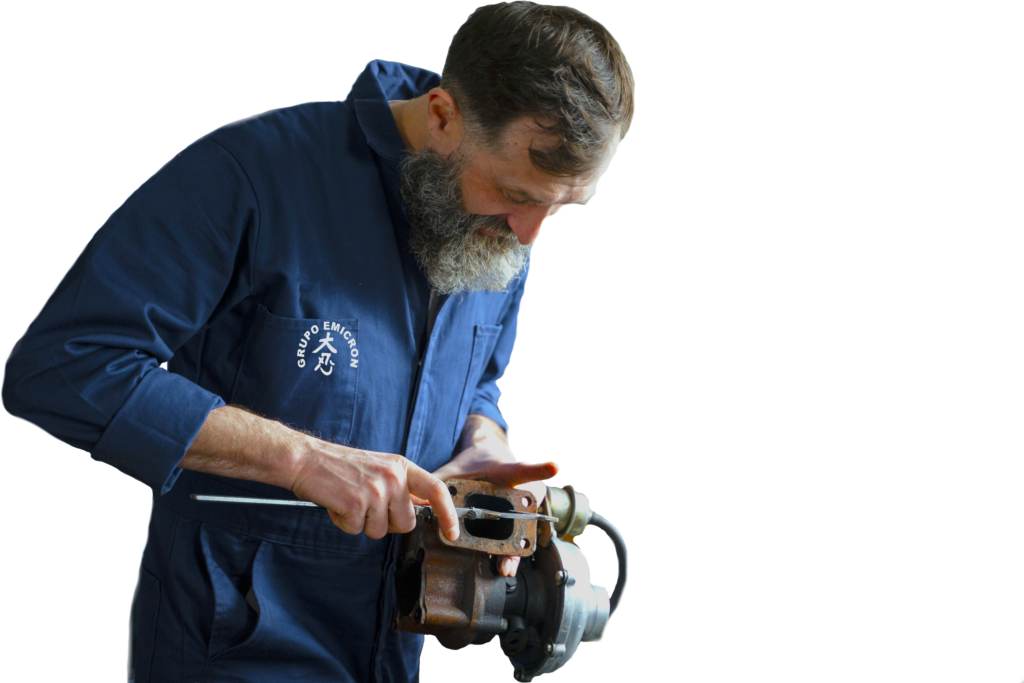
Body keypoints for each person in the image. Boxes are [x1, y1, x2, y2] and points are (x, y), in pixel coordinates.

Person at [1, 2, 634, 681]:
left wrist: (483, 439)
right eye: (515, 193)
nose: (531, 232)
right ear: (444, 115)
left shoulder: (503, 222)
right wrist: (304, 458)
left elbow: (477, 373)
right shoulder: (250, 174)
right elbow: (62, 364)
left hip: (396, 642)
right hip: (231, 641)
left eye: (561, 207)